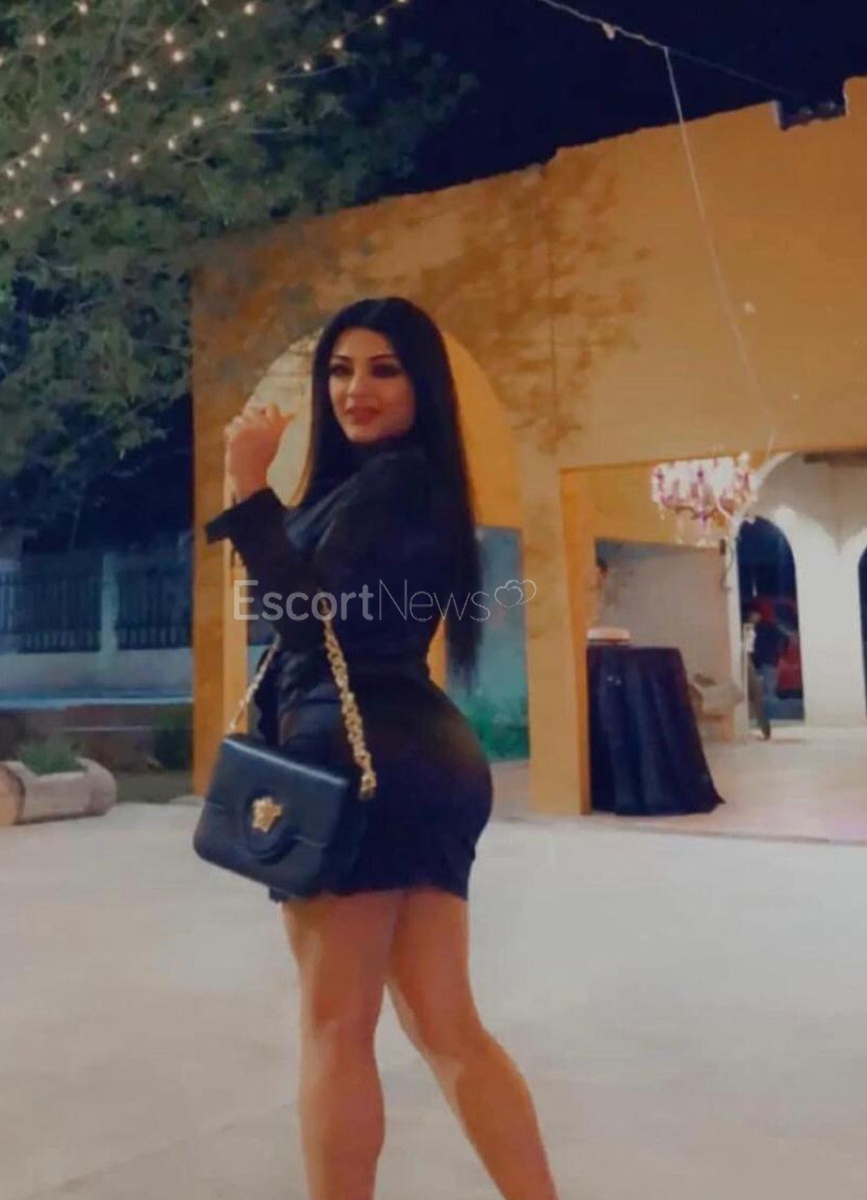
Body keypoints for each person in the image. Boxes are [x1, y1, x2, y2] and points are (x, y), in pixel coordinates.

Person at [204, 297, 560, 1200]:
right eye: (340, 370)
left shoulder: (396, 484)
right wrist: (262, 502)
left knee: (337, 1028)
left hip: (354, 761)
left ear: (420, 385)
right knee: (447, 1026)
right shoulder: (387, 486)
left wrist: (246, 484)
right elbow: (310, 592)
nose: (355, 389)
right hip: (424, 754)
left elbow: (302, 618)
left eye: (383, 370)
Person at [745, 600, 785, 740]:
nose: (752, 617)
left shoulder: (765, 627)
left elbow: (781, 640)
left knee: (764, 692)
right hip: (756, 662)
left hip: (765, 661)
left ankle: (767, 724)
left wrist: (776, 654)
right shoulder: (750, 629)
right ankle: (764, 726)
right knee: (758, 694)